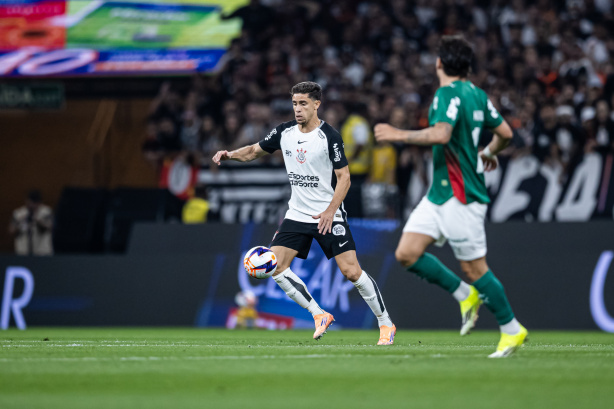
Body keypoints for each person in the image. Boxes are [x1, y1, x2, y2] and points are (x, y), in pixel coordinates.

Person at [374, 36, 527, 358]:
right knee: (407, 253)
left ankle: (512, 329)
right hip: (440, 193)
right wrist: (489, 152)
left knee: (475, 268)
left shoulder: (446, 94)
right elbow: (506, 134)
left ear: (439, 63)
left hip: (462, 195)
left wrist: (398, 134)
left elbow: (441, 134)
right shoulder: (477, 94)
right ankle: (464, 295)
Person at [213, 81, 396, 345]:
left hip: (328, 214)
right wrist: (229, 154)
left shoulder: (329, 136)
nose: (297, 109)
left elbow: (344, 178)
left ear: (316, 104)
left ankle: (385, 323)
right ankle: (319, 314)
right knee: (275, 266)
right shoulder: (284, 132)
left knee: (351, 271)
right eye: (294, 104)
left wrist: (330, 211)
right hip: (297, 214)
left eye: (303, 104)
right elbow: (253, 151)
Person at [8, 190, 53, 256]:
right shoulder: (19, 213)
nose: (32, 205)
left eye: (35, 203)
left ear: (39, 203)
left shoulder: (46, 212)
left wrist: (37, 220)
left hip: (42, 252)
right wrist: (20, 222)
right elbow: (11, 230)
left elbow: (50, 226)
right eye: (30, 202)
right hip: (23, 252)